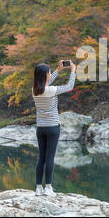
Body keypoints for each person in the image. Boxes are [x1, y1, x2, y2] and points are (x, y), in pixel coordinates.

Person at [32, 60, 76, 196]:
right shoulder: (51, 90)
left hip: (40, 128)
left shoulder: (34, 90)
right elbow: (69, 86)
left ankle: (38, 188)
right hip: (53, 128)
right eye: (49, 73)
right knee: (50, 158)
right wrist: (73, 71)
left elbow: (45, 84)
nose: (50, 74)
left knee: (41, 158)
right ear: (45, 75)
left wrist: (58, 70)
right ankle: (48, 188)